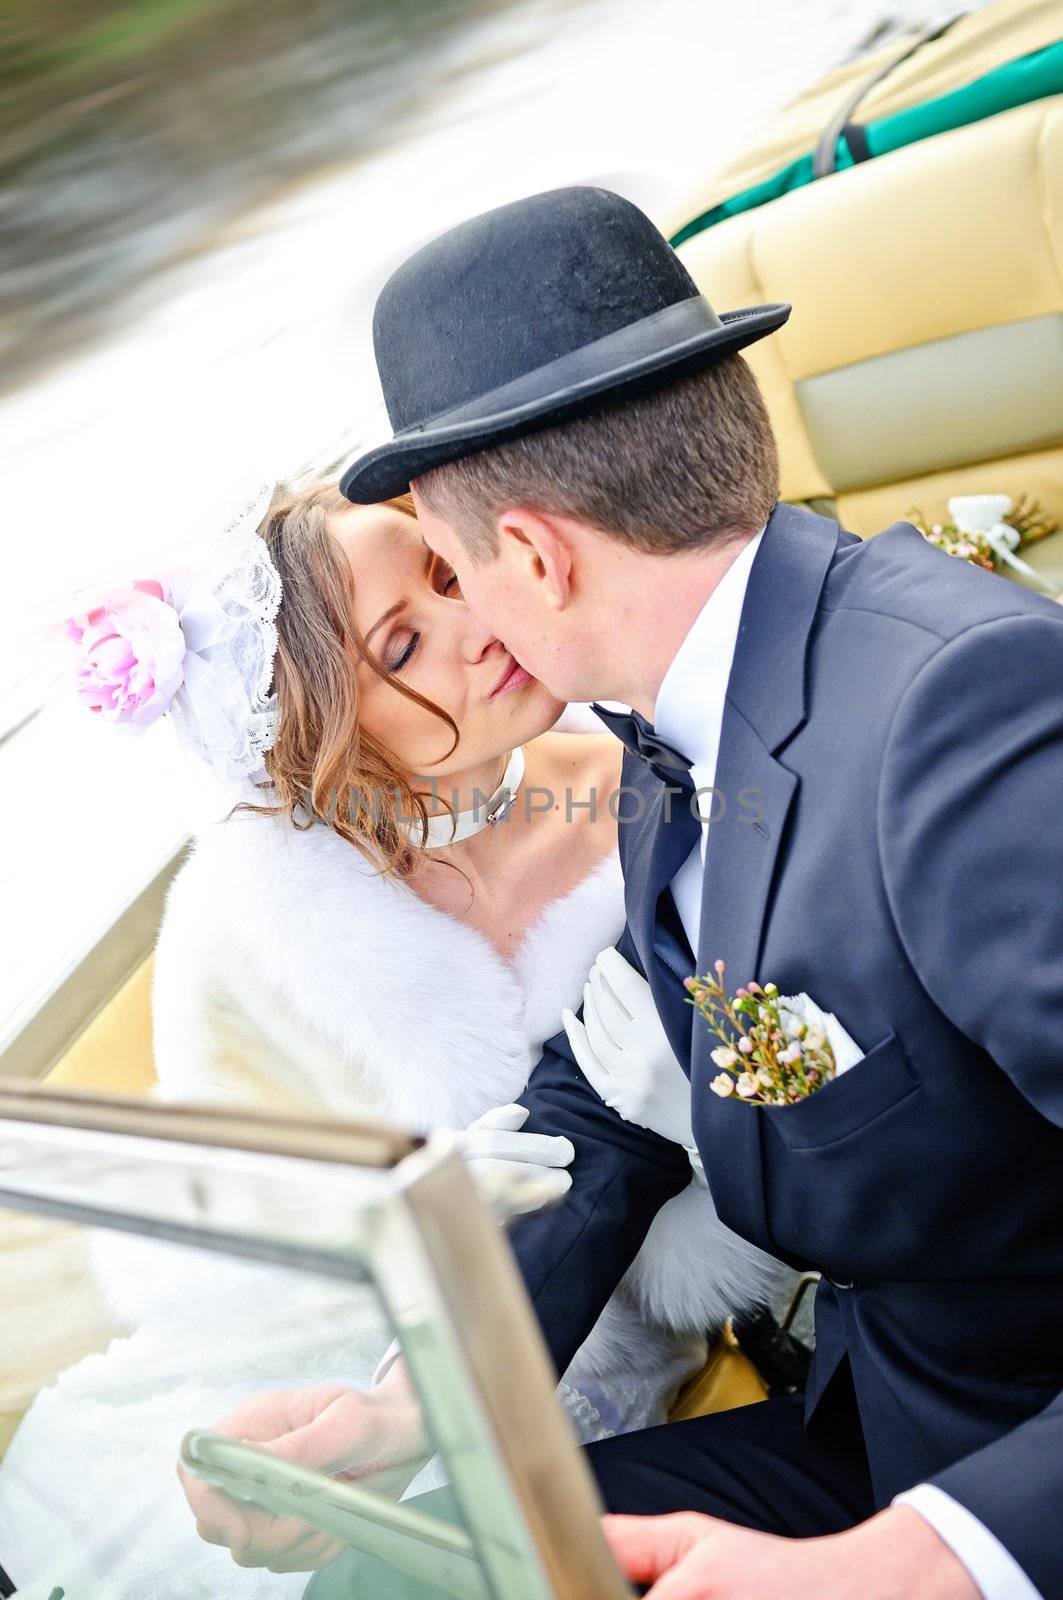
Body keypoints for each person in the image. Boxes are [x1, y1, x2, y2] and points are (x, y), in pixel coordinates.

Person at [186, 187, 1063, 1600]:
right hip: (894, 1408)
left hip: (1000, 1473)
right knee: (405, 1571)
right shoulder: (680, 730)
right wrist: (415, 1412)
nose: (467, 627)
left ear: (529, 555)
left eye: (451, 569)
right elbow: (607, 1090)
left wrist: (926, 1562)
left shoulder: (962, 719)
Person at [0, 478, 784, 1600]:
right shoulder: (250, 919)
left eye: (452, 574)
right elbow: (249, 1196)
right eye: (405, 644)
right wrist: (410, 1211)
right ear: (329, 738)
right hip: (340, 1323)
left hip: (594, 1315)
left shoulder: (647, 786)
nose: (478, 628)